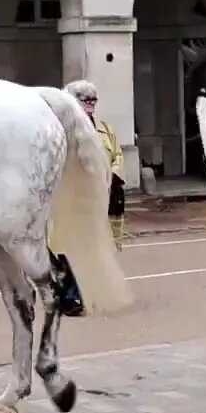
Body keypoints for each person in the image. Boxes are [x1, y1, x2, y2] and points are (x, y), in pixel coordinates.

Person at [52, 79, 126, 317]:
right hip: (73, 198)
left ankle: (88, 293)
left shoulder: (105, 128)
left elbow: (117, 155)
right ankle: (69, 296)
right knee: (68, 248)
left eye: (93, 100)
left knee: (96, 247)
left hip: (101, 197)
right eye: (85, 100)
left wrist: (115, 178)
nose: (90, 104)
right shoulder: (61, 132)